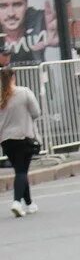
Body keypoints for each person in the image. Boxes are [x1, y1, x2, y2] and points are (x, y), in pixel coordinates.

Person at [0, 66, 41, 217]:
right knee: (22, 171)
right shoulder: (23, 92)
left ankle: (29, 203)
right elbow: (36, 112)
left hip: (6, 140)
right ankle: (17, 202)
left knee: (20, 170)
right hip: (23, 137)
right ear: (13, 77)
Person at [0, 0, 58, 65]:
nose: (11, 13)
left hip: (38, 78)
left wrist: (61, 39)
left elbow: (57, 38)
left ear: (26, 3)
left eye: (17, 4)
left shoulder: (43, 20)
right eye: (3, 6)